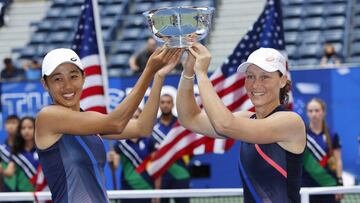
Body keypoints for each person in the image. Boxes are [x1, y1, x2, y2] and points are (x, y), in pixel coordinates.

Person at [35, 47, 182, 202]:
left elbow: (142, 128)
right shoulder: (48, 117)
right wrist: (148, 71)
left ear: (84, 77)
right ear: (45, 83)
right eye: (57, 79)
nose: (68, 86)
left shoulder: (88, 120)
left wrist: (158, 76)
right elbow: (116, 123)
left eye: (73, 76)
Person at [176, 44, 306, 202]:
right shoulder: (247, 118)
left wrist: (202, 74)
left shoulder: (290, 121)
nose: (256, 84)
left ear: (282, 80)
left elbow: (224, 124)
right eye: (250, 76)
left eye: (265, 76)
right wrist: (188, 72)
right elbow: (189, 118)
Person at [107, 108, 155, 203]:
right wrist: (110, 161)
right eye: (131, 117)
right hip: (127, 190)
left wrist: (157, 191)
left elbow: (156, 167)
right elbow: (114, 167)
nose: (133, 120)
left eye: (137, 117)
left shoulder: (149, 140)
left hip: (147, 189)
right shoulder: (121, 144)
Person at [302, 98, 343, 203]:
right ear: (307, 113)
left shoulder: (332, 135)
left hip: (329, 186)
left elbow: (338, 161)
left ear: (323, 112)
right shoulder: (301, 134)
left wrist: (340, 183)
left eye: (317, 110)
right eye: (310, 111)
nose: (314, 114)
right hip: (307, 187)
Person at [151, 94, 190, 203]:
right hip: (161, 175)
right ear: (159, 105)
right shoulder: (153, 126)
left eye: (168, 102)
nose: (165, 105)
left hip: (180, 172)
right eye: (163, 102)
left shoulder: (181, 124)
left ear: (172, 104)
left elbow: (189, 146)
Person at [0, 114, 20, 193]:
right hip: (6, 191)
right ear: (4, 126)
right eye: (8, 123)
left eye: (14, 123)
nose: (11, 126)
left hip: (26, 190)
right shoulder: (1, 148)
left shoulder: (24, 147)